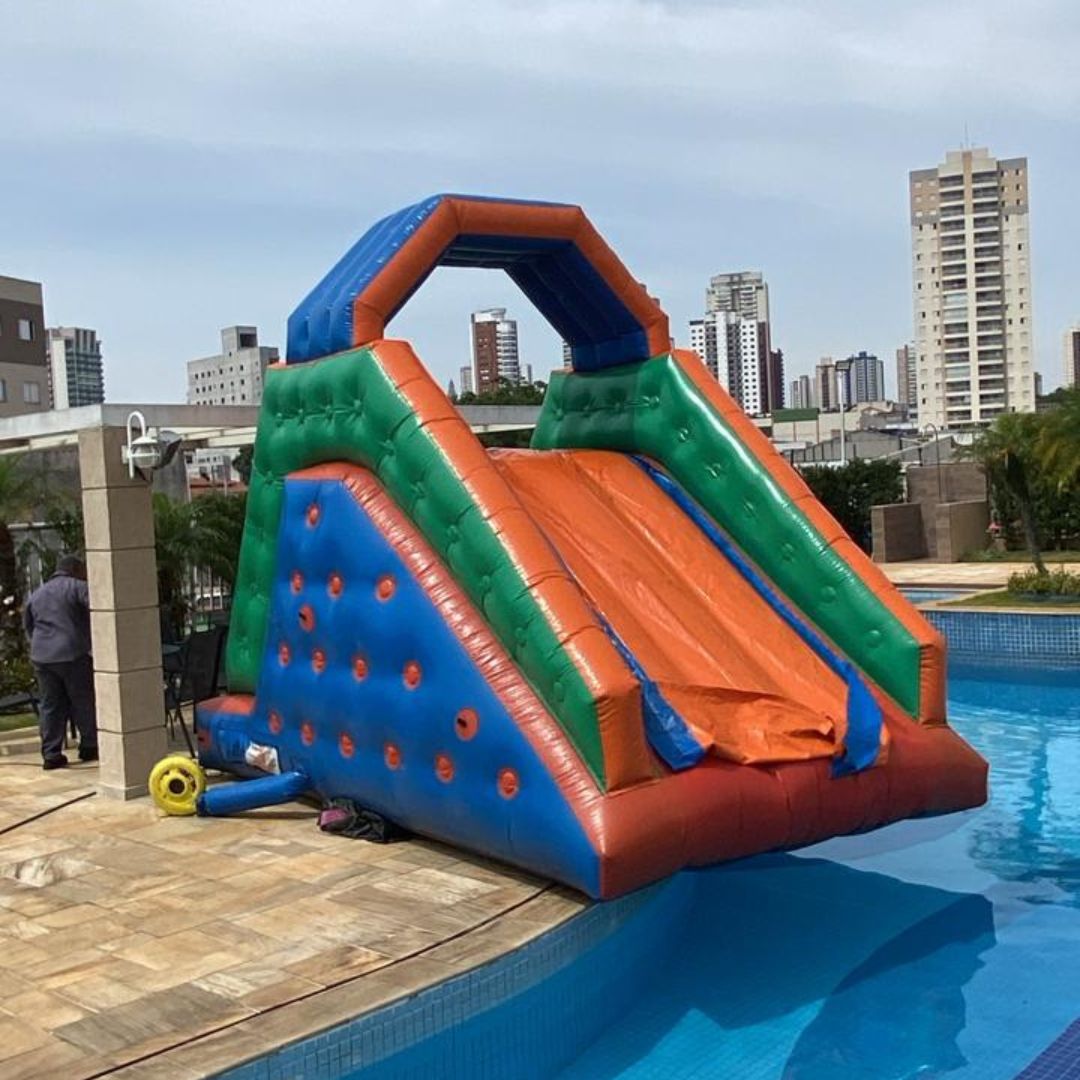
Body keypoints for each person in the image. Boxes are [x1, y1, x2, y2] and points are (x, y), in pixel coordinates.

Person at [22, 554, 97, 770]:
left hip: (43, 656)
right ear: (76, 570)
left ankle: (51, 754)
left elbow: (28, 625)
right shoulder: (78, 587)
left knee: (50, 705)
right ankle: (89, 745)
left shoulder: (37, 594)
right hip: (72, 653)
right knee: (82, 700)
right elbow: (97, 612)